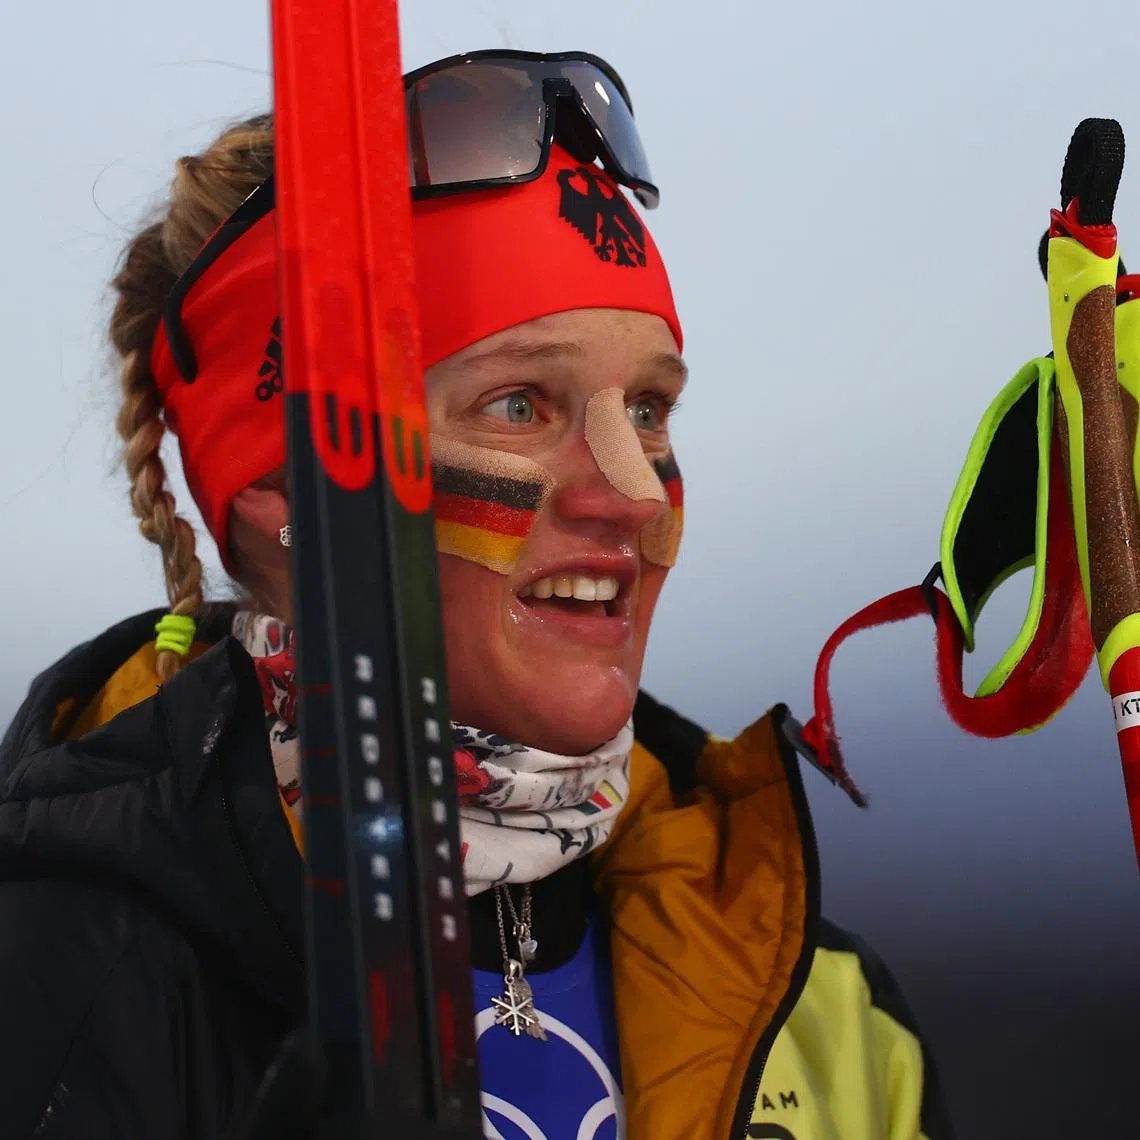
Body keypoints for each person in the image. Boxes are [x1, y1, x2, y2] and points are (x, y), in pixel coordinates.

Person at [0, 50, 953, 1140]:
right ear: (281, 489)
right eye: (521, 405)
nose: (636, 496)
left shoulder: (823, 1010)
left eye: (647, 408)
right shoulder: (70, 973)